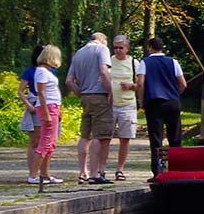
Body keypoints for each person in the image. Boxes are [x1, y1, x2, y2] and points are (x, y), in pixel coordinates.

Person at [64, 31, 114, 184]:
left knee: (85, 135)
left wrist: (81, 94)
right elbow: (104, 72)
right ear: (103, 40)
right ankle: (96, 174)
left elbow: (69, 81)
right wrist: (110, 91)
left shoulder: (78, 54)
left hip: (85, 97)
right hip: (99, 96)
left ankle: (82, 172)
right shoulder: (102, 49)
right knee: (100, 136)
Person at [141, 37, 187, 175]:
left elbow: (140, 83)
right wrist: (175, 94)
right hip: (172, 102)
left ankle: (158, 171)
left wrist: (141, 100)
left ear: (150, 48)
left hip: (154, 102)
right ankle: (177, 169)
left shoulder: (145, 62)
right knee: (175, 137)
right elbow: (183, 84)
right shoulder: (173, 62)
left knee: (156, 138)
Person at [22, 45, 64, 185]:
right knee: (45, 142)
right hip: (48, 107)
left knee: (51, 143)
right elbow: (41, 92)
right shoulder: (41, 72)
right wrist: (46, 113)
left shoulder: (48, 71)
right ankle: (33, 175)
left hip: (54, 107)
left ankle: (45, 174)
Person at [105, 35, 144, 182]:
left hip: (127, 104)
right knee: (105, 138)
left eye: (121, 47)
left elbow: (140, 84)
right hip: (110, 105)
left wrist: (131, 87)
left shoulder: (134, 63)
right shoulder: (108, 61)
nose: (118, 50)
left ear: (127, 48)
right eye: (115, 47)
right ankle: (100, 169)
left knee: (125, 138)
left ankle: (120, 169)